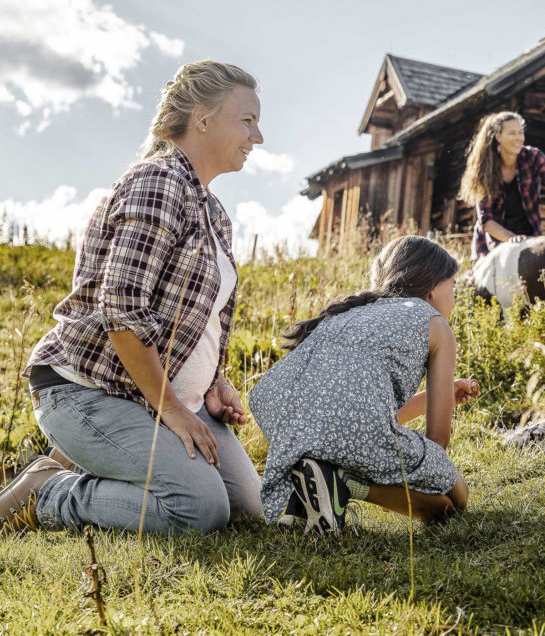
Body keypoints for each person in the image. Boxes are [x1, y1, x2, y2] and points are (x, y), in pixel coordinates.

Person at [0, 61, 265, 535]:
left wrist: (214, 383)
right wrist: (174, 411)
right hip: (92, 392)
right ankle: (49, 493)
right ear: (202, 118)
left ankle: (105, 463)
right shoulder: (157, 182)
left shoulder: (213, 211)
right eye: (247, 120)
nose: (257, 136)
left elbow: (197, 317)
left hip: (161, 399)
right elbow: (121, 311)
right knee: (200, 510)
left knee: (248, 508)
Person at [249, 236, 479, 533]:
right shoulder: (435, 323)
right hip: (334, 432)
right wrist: (396, 481)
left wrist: (436, 396)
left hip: (290, 424)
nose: (455, 299)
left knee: (433, 488)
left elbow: (358, 411)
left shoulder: (352, 312)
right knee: (455, 500)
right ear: (432, 288)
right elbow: (438, 441)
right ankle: (345, 484)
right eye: (454, 287)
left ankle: (307, 497)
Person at [458, 111, 545, 260]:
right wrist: (512, 239)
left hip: (530, 238)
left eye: (520, 133)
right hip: (494, 241)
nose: (518, 138)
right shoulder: (485, 167)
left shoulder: (534, 157)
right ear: (498, 136)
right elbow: (486, 221)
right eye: (512, 133)